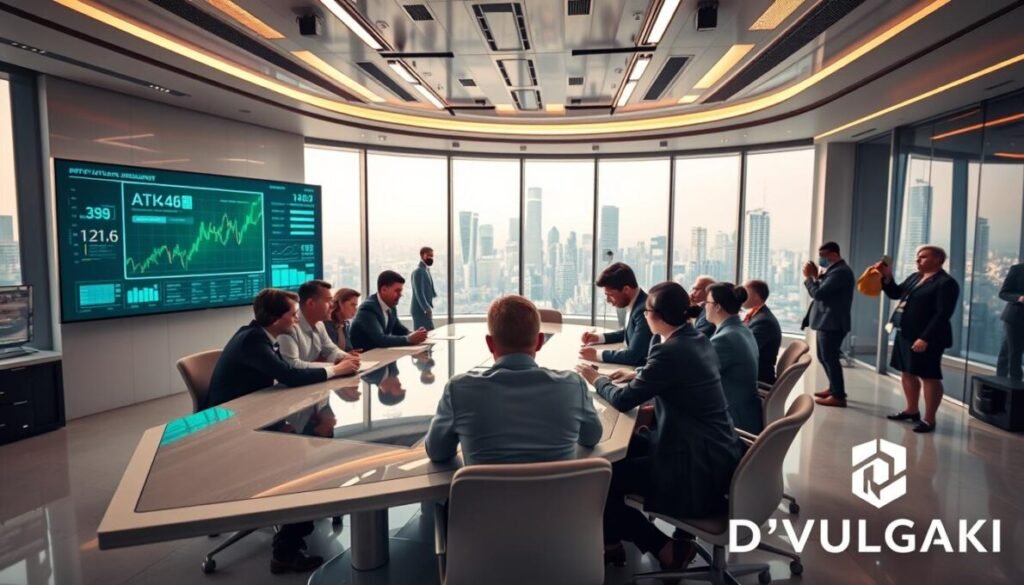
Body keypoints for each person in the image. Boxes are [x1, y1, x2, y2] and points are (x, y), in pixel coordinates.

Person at [576, 282, 744, 571]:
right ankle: (612, 545)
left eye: (647, 312)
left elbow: (625, 400)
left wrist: (596, 379)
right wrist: (640, 374)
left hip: (693, 464)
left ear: (659, 316)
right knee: (619, 457)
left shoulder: (671, 351)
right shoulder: (696, 338)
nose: (642, 317)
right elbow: (675, 376)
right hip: (711, 449)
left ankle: (664, 549)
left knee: (599, 482)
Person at [205, 289, 354, 574]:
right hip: (233, 430)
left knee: (308, 441)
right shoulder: (252, 341)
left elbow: (285, 370)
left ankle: (299, 515)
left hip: (250, 415)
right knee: (307, 465)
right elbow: (287, 374)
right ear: (275, 318)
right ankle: (285, 550)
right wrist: (336, 371)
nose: (296, 318)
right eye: (292, 314)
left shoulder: (259, 336)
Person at [425, 295, 602, 464]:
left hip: (485, 496)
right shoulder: (573, 386)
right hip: (561, 496)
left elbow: (437, 452)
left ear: (490, 343)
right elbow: (592, 437)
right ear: (540, 341)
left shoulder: (459, 390)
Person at [877, 245, 960, 433]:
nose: (918, 260)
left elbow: (942, 314)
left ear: (938, 260)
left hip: (927, 338)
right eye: (917, 257)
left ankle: (929, 419)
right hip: (905, 333)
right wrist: (886, 277)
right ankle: (911, 410)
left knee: (928, 376)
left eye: (922, 257)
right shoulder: (915, 277)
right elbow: (896, 293)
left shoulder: (946, 283)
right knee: (907, 372)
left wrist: (925, 338)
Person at [801, 241, 855, 408]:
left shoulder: (840, 272)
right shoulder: (834, 271)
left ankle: (838, 396)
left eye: (823, 256)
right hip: (826, 322)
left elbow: (819, 294)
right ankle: (833, 388)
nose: (821, 259)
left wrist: (810, 278)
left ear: (833, 254)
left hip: (832, 323)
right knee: (824, 357)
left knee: (830, 359)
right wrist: (817, 277)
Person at [704, 282, 763, 434]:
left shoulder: (725, 339)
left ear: (717, 307)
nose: (704, 306)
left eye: (707, 302)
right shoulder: (742, 329)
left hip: (733, 422)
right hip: (747, 412)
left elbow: (695, 373)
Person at [278, 280, 360, 373]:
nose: (332, 305)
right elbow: (293, 364)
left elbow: (331, 350)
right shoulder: (288, 326)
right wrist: (336, 367)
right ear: (311, 303)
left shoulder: (319, 324)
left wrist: (348, 358)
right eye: (328, 301)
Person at [580, 262, 653, 367]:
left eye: (610, 295)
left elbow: (633, 356)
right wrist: (598, 338)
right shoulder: (636, 302)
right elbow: (629, 333)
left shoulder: (643, 311)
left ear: (626, 290)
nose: (608, 300)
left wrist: (598, 354)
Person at [350, 271, 429, 350]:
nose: (400, 295)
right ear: (384, 290)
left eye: (401, 291)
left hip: (381, 355)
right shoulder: (368, 309)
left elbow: (398, 329)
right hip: (365, 357)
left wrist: (415, 334)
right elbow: (380, 340)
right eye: (397, 291)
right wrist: (409, 339)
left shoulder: (391, 305)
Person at [742, 279, 782, 385]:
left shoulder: (764, 321)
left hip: (757, 376)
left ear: (756, 296)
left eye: (744, 292)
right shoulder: (756, 316)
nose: (740, 296)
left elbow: (747, 351)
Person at [997, 263, 1024, 380]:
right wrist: (1019, 298)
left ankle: (1001, 386)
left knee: (1007, 352)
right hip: (1016, 318)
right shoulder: (1018, 269)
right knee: (1014, 355)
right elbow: (1003, 293)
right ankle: (1014, 391)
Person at [325, 287, 361, 352]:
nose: (355, 309)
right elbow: (330, 353)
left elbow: (347, 349)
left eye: (356, 306)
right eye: (352, 305)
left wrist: (351, 353)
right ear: (340, 303)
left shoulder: (345, 324)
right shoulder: (327, 324)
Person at [411, 246, 438, 331]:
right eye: (428, 255)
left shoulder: (426, 270)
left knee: (429, 334)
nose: (431, 258)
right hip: (420, 310)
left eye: (432, 256)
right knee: (423, 336)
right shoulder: (419, 272)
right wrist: (426, 308)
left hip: (424, 310)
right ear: (422, 255)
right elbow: (419, 292)